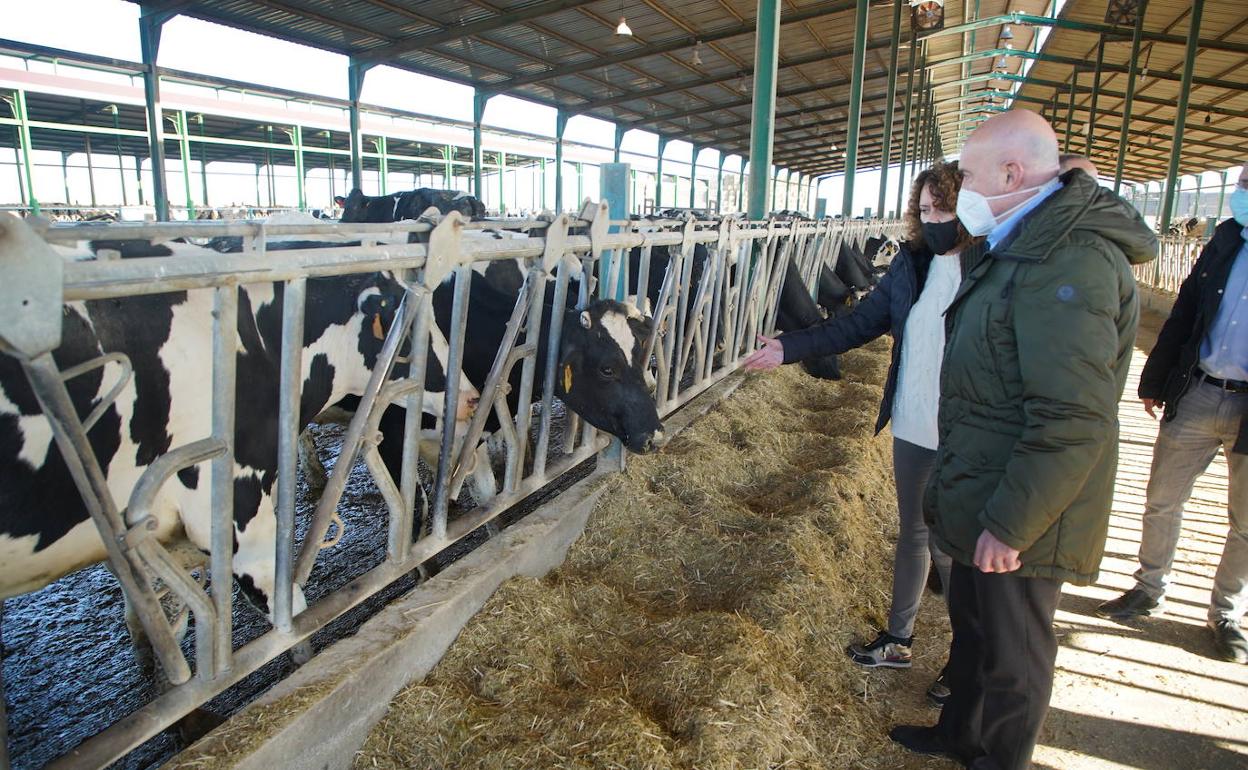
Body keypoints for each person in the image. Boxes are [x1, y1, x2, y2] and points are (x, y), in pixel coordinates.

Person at [887, 109, 1158, 770]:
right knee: (977, 633)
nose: (961, 189)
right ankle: (959, 736)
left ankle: (997, 759)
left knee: (1017, 658)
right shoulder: (1020, 243)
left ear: (1012, 172)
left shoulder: (1071, 259)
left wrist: (1010, 525)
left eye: (971, 175)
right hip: (989, 483)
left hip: (1026, 513)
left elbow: (1072, 420)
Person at [743, 161, 975, 705]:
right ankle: (898, 639)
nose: (934, 218)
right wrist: (788, 348)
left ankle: (967, 658)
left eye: (945, 207)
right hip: (914, 424)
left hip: (964, 431)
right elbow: (858, 323)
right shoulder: (911, 266)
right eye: (925, 209)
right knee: (913, 534)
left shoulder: (988, 268)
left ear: (970, 208)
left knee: (951, 547)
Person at [1095, 161, 1248, 664]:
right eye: (1243, 184)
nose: (1242, 193)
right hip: (1199, 388)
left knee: (1246, 520)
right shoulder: (1225, 241)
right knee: (1162, 498)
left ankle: (1226, 613)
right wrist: (1156, 378)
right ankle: (1149, 587)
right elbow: (1184, 312)